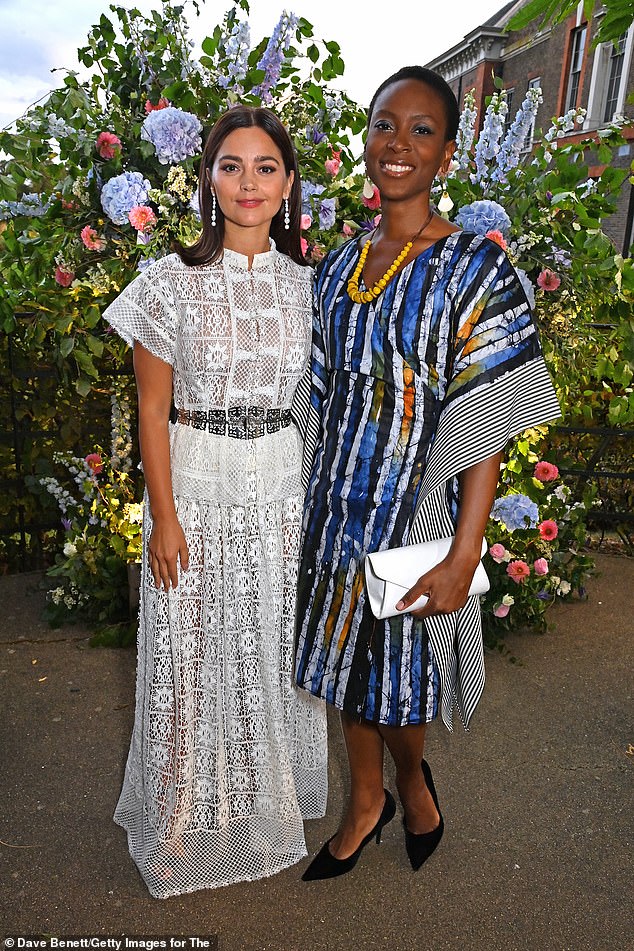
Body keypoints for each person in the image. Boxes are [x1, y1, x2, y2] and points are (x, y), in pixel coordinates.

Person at [293, 66, 560, 880]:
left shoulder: (477, 267)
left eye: (420, 130)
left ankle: (412, 779)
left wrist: (466, 550)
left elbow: (486, 418)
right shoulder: (339, 269)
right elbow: (313, 391)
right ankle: (364, 800)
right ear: (365, 140)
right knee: (344, 662)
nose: (397, 144)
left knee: (400, 677)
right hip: (335, 504)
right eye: (384, 125)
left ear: (445, 153)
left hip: (419, 511)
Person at [103, 105, 328, 898]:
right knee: (186, 653)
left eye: (266, 167)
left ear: (289, 182)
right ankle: (170, 818)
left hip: (281, 488)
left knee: (271, 647)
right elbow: (151, 410)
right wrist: (162, 514)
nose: (249, 183)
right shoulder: (169, 281)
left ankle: (267, 803)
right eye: (231, 165)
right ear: (207, 177)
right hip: (196, 485)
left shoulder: (312, 285)